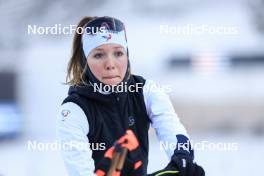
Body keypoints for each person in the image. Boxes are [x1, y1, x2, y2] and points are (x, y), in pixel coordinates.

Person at [56, 16, 205, 176]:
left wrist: (182, 160)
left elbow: (171, 129)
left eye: (118, 53)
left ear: (127, 55)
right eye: (99, 55)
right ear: (85, 61)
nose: (110, 64)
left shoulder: (145, 90)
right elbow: (80, 171)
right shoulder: (73, 111)